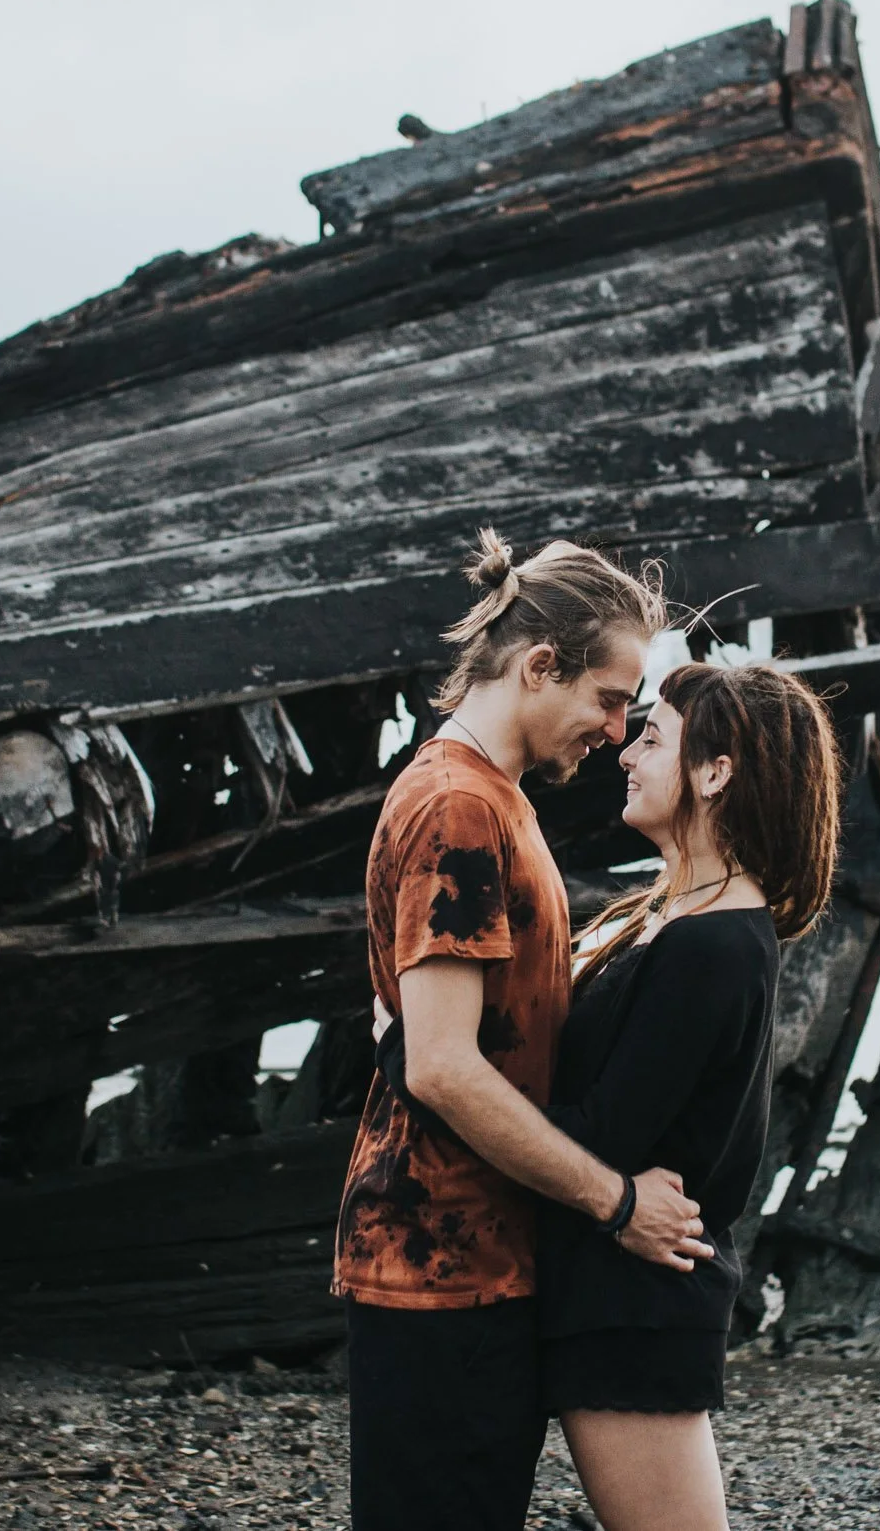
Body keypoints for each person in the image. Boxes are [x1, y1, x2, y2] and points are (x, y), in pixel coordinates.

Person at [334, 528, 709, 1531]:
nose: (618, 727)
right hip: (436, 1264)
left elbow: (431, 1029)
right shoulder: (459, 805)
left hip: (474, 1256)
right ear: (539, 664)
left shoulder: (491, 798)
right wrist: (617, 1200)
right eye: (609, 695)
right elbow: (447, 1066)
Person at [537, 660, 844, 1531]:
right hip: (617, 1292)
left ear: (716, 773)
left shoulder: (712, 945)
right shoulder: (674, 917)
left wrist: (432, 1071)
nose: (626, 753)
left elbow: (601, 1132)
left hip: (640, 1307)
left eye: (654, 737)